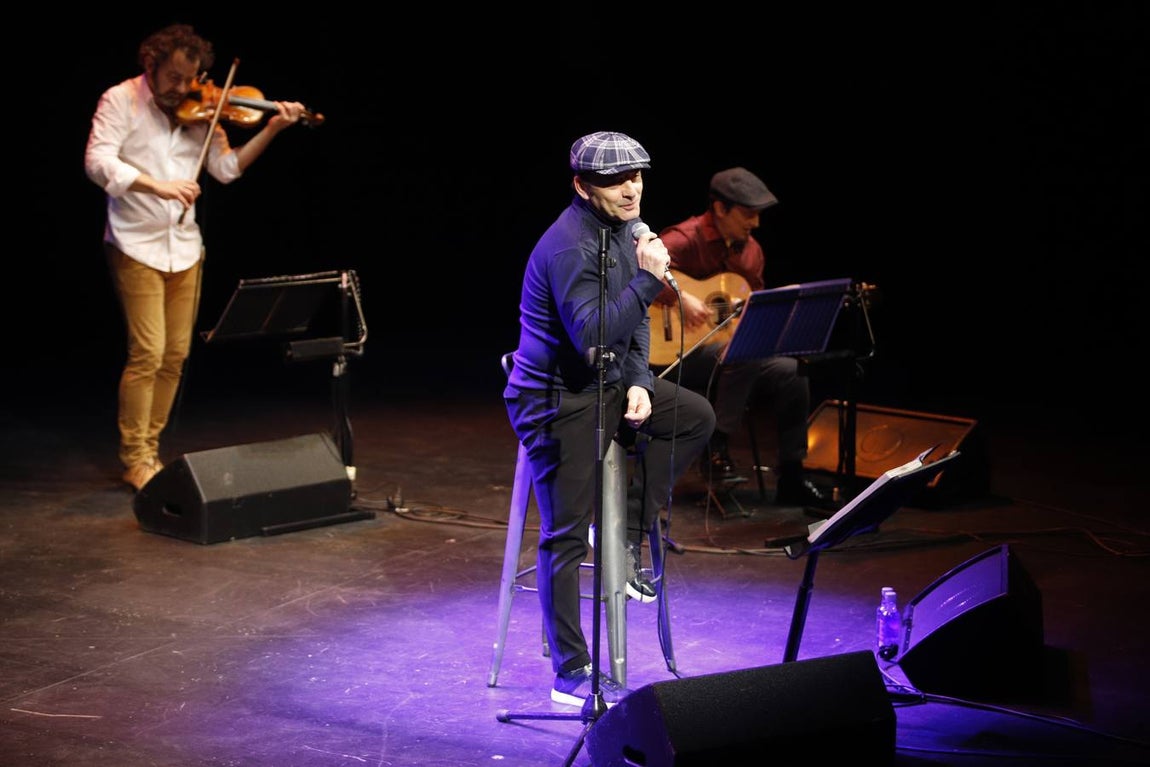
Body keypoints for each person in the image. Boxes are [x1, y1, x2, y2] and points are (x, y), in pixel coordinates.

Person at [504, 131, 715, 707]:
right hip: (556, 398)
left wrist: (642, 381)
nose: (632, 189)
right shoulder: (570, 245)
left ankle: (621, 538)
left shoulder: (627, 231)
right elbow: (593, 334)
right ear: (582, 185)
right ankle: (571, 670)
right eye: (617, 181)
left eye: (639, 177)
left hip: (608, 383)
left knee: (695, 416)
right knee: (564, 535)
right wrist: (648, 278)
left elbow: (635, 321)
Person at [84, 24, 310, 492]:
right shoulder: (120, 100)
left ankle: (153, 448)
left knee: (176, 355)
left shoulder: (202, 111)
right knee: (147, 351)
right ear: (151, 65)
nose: (183, 88)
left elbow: (225, 170)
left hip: (184, 246)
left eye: (191, 78)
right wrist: (157, 185)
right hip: (134, 241)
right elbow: (97, 161)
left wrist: (271, 128)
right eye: (173, 77)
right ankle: (137, 457)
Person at [654, 167, 827, 507]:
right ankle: (715, 445)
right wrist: (680, 297)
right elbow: (639, 269)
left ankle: (791, 475)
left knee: (792, 373)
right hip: (674, 354)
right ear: (720, 209)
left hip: (728, 358)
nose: (755, 224)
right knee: (741, 354)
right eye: (748, 214)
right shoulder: (685, 238)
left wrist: (753, 312)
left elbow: (752, 315)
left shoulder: (752, 252)